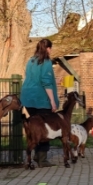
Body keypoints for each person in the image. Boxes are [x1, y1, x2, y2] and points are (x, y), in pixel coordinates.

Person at [20, 38, 60, 168]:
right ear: (48, 49)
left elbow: (35, 78)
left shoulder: (30, 61)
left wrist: (55, 81)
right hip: (41, 99)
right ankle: (41, 158)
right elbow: (45, 82)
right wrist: (53, 102)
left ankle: (34, 155)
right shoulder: (46, 62)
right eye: (50, 48)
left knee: (34, 126)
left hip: (27, 97)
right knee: (45, 128)